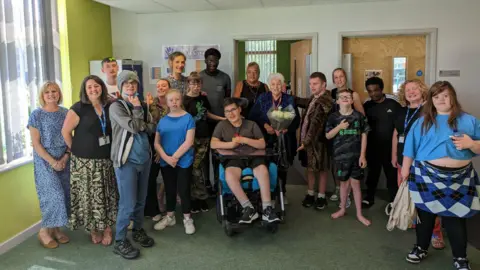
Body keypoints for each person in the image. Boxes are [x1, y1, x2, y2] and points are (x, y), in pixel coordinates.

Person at [401, 81, 480, 270]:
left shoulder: (469, 120)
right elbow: (409, 149)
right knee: (425, 216)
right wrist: (405, 173)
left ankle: (460, 258)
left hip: (460, 178)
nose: (441, 100)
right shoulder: (423, 121)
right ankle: (420, 247)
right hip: (426, 175)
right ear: (431, 100)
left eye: (445, 95)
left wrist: (471, 144)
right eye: (436, 97)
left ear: (453, 96)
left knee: (456, 218)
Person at [61, 75, 118, 246]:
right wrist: (77, 150)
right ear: (85, 90)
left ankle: (107, 228)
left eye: (96, 86)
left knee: (107, 195)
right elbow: (65, 133)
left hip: (106, 160)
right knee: (89, 198)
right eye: (89, 87)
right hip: (84, 163)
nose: (93, 89)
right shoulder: (78, 108)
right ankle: (94, 228)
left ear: (102, 87)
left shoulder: (110, 106)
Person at [391, 79, 446, 248]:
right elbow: (396, 133)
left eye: (415, 89)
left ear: (422, 91)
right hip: (403, 160)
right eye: (408, 90)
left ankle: (436, 232)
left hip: (423, 163)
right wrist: (394, 155)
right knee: (409, 194)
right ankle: (416, 222)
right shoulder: (401, 112)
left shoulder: (430, 111)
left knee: (428, 199)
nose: (411, 92)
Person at [109, 70, 156, 259]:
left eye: (133, 83)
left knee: (140, 201)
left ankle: (137, 229)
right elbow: (135, 127)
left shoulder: (142, 104)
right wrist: (138, 113)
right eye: (126, 84)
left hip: (144, 160)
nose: (130, 86)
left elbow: (152, 127)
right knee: (127, 203)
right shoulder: (116, 107)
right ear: (120, 88)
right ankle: (119, 240)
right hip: (126, 162)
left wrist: (142, 117)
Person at [210, 98, 280, 224]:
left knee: (263, 170)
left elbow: (262, 144)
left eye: (233, 110)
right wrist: (231, 145)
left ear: (239, 109)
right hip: (233, 158)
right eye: (227, 112)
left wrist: (245, 140)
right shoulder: (222, 125)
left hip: (254, 155)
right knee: (230, 175)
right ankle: (248, 208)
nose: (230, 114)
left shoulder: (251, 124)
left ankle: (267, 209)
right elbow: (213, 143)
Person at [28, 82, 70, 249]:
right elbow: (36, 144)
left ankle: (57, 229)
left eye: (54, 91)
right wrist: (52, 161)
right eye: (47, 92)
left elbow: (70, 137)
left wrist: (65, 157)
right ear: (42, 95)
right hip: (44, 160)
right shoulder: (36, 115)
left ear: (59, 94)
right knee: (53, 195)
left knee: (64, 194)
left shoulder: (66, 113)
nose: (51, 94)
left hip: (64, 158)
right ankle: (44, 231)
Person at [248, 73, 300, 204]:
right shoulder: (262, 98)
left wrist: (286, 128)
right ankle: (269, 192)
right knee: (268, 164)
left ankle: (282, 192)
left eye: (278, 84)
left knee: (283, 164)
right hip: (266, 138)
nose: (276, 87)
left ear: (283, 85)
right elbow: (253, 116)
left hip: (285, 138)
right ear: (269, 86)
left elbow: (296, 119)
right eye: (273, 84)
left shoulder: (289, 99)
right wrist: (265, 125)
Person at [153, 89, 196, 234]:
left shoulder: (188, 118)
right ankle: (170, 217)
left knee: (183, 190)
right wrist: (166, 158)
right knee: (170, 190)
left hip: (184, 160)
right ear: (167, 102)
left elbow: (189, 141)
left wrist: (175, 157)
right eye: (171, 100)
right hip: (167, 162)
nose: (174, 102)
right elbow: (157, 143)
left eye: (177, 99)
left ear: (181, 100)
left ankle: (187, 218)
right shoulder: (163, 120)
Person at [325, 89, 371, 226]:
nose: (345, 98)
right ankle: (342, 209)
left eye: (348, 97)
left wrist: (363, 155)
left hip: (356, 157)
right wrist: (339, 127)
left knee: (356, 185)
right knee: (343, 184)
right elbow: (328, 135)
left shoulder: (359, 116)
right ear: (337, 101)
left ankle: (359, 213)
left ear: (352, 100)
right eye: (342, 97)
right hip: (340, 158)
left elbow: (364, 135)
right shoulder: (333, 117)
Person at [183, 72, 225, 213]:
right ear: (188, 84)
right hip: (190, 138)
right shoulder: (184, 100)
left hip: (204, 137)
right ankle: (196, 198)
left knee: (199, 166)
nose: (195, 86)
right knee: (193, 167)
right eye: (193, 83)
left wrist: (223, 119)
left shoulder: (203, 98)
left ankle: (200, 197)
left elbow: (207, 114)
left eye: (198, 83)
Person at [362, 76, 402, 208]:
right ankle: (369, 197)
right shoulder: (367, 106)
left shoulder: (393, 104)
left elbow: (399, 127)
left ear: (382, 89)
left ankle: (393, 201)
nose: (373, 93)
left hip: (390, 148)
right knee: (372, 174)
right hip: (372, 147)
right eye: (370, 91)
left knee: (391, 175)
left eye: (376, 90)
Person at [297, 72, 333, 210]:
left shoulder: (326, 100)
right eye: (310, 84)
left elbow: (315, 124)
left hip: (320, 141)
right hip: (309, 140)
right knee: (310, 168)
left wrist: (305, 142)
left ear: (324, 84)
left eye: (315, 84)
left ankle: (321, 196)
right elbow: (304, 102)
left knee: (322, 168)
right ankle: (311, 193)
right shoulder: (314, 97)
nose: (312, 86)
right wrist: (290, 97)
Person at [329, 68, 365, 203]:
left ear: (346, 78)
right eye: (336, 77)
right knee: (336, 163)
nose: (339, 79)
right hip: (335, 134)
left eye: (341, 76)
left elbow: (361, 115)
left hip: (350, 135)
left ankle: (348, 194)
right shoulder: (331, 94)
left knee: (350, 163)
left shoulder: (353, 94)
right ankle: (338, 188)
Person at [144, 78, 171, 222]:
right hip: (154, 145)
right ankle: (152, 208)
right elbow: (148, 127)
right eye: (158, 86)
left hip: (171, 145)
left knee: (170, 176)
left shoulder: (174, 103)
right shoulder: (149, 104)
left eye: (164, 86)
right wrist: (158, 150)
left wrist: (164, 150)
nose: (161, 88)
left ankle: (162, 197)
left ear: (169, 88)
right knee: (151, 177)